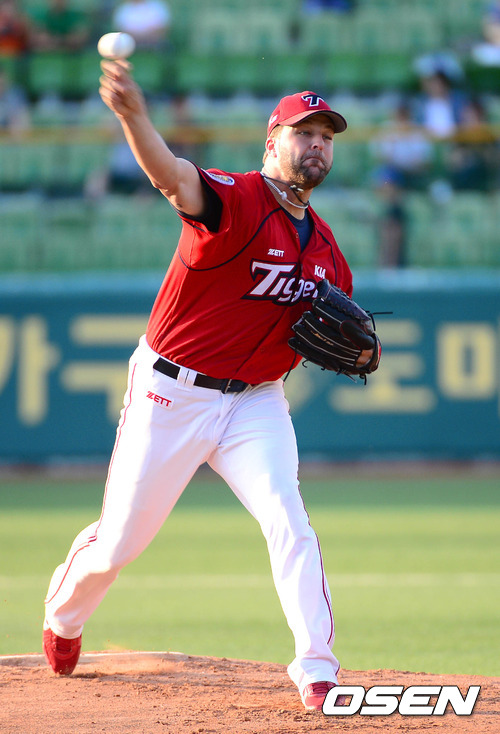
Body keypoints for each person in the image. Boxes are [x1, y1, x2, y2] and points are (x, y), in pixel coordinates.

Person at [42, 62, 377, 712]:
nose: (317, 144)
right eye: (303, 131)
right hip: (172, 392)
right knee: (119, 542)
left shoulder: (328, 253)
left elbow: (326, 329)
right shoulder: (235, 199)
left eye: (327, 136)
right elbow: (171, 176)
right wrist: (134, 117)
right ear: (272, 142)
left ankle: (317, 670)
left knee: (288, 519)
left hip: (255, 401)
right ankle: (64, 616)